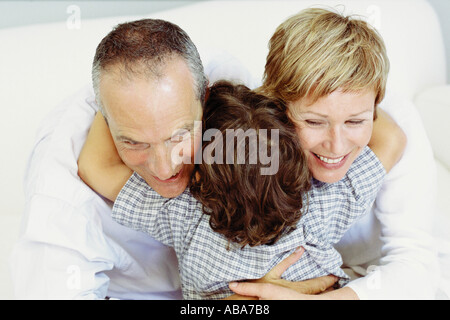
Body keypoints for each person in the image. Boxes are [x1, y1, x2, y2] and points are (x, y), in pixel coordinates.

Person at [10, 18, 335, 299]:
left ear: (205, 99)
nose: (164, 169)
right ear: (104, 120)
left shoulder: (229, 98)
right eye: (133, 142)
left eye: (178, 135)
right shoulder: (58, 209)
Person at [77, 80, 404, 299]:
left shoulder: (181, 211)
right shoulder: (322, 203)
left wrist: (122, 106)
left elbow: (95, 165)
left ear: (199, 178)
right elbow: (391, 137)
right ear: (296, 162)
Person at [228, 8, 439, 300]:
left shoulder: (399, 124)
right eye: (314, 122)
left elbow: (416, 266)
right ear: (276, 106)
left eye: (355, 121)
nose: (337, 146)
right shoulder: (255, 139)